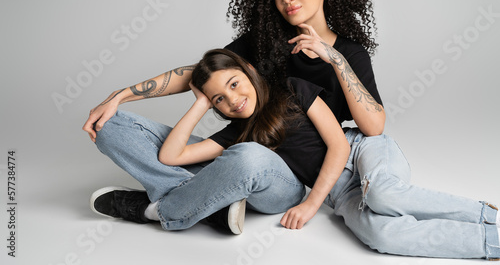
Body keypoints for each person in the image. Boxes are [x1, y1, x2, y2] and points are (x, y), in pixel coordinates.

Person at [84, 0, 384, 233]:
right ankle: (211, 203)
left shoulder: (348, 54)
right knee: (109, 126)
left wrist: (336, 59)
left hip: (278, 177)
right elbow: (199, 73)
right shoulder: (265, 41)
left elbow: (374, 127)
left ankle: (160, 210)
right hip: (236, 155)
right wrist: (120, 96)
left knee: (249, 156)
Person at [163, 48, 500, 259]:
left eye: (234, 84)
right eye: (219, 99)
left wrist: (311, 204)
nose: (232, 99)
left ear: (249, 72)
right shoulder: (237, 133)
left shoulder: (292, 89)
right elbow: (172, 157)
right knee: (377, 234)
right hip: (340, 192)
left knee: (382, 194)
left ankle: (489, 215)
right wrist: (200, 104)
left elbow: (338, 144)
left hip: (362, 152)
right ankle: (492, 241)